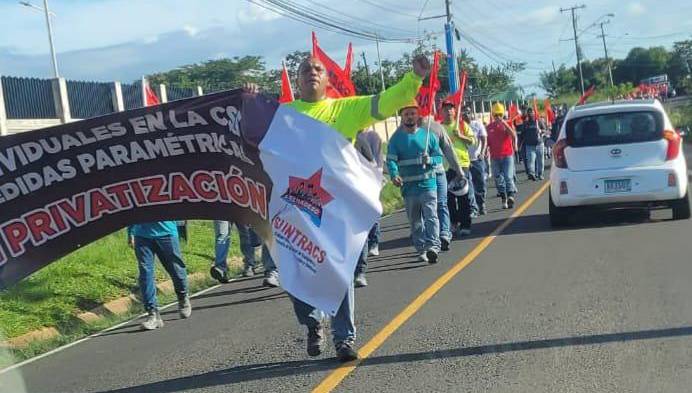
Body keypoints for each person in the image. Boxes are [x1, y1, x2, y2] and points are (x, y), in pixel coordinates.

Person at [278, 54, 430, 362]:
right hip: (295, 208)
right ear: (297, 81)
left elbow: (384, 102)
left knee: (340, 271)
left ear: (327, 80)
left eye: (317, 69)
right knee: (293, 271)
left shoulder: (344, 109)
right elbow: (247, 135)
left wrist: (414, 78)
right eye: (305, 69)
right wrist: (249, 100)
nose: (311, 72)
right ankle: (312, 322)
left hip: (334, 208)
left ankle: (343, 339)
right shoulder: (283, 114)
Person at [387, 102, 443, 263]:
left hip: (428, 185)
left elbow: (439, 157)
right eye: (406, 114)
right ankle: (421, 248)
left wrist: (430, 159)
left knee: (431, 216)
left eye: (412, 113)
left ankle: (433, 246)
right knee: (415, 222)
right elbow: (391, 160)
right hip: (409, 189)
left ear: (418, 115)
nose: (410, 116)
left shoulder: (428, 136)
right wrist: (394, 174)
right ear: (401, 117)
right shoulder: (396, 140)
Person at [128, 221, 191, 330]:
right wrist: (130, 232)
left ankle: (182, 296)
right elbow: (132, 209)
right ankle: (153, 313)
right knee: (145, 272)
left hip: (166, 232)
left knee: (176, 269)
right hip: (142, 234)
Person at [421, 117, 463, 251]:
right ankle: (432, 238)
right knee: (429, 207)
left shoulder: (437, 128)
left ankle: (444, 234)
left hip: (438, 172)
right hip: (421, 176)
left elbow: (448, 150)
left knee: (440, 203)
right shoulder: (406, 130)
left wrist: (458, 169)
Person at [353, 128, 383, 288]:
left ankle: (359, 271)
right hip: (339, 191)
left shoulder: (366, 138)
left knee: (361, 230)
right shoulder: (330, 134)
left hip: (362, 186)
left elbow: (374, 162)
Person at [440, 100, 476, 237]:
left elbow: (473, 141)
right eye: (446, 109)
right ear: (441, 112)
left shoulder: (461, 125)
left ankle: (465, 225)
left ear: (455, 111)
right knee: (448, 198)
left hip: (462, 165)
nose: (448, 111)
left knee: (463, 197)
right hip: (445, 167)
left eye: (451, 109)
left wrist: (460, 135)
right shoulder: (439, 127)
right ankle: (454, 223)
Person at [211, 221, 279, 288]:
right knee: (222, 235)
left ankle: (250, 264)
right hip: (221, 210)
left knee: (246, 234)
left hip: (241, 210)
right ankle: (220, 268)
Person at [486, 103, 517, 209]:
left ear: (503, 114)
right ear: (493, 115)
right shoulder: (489, 127)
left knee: (508, 177)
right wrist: (485, 151)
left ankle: (511, 197)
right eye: (496, 115)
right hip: (495, 157)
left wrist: (505, 124)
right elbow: (487, 142)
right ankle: (504, 198)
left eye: (500, 114)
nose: (498, 117)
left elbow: (513, 135)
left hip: (507, 155)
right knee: (498, 178)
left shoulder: (508, 123)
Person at [466, 109, 488, 215]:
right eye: (464, 112)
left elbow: (484, 139)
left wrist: (482, 152)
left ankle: (481, 204)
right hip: (465, 161)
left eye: (468, 112)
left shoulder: (477, 124)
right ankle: (472, 208)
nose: (466, 114)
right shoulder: (459, 126)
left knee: (480, 183)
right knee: (468, 185)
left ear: (472, 114)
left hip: (477, 159)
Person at [520, 107, 546, 181]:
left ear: (534, 113)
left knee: (540, 161)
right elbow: (522, 134)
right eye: (529, 112)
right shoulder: (525, 123)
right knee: (530, 160)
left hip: (539, 144)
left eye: (531, 112)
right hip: (529, 145)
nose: (530, 113)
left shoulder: (539, 121)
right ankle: (532, 174)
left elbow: (545, 130)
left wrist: (541, 131)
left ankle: (540, 174)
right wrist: (519, 144)